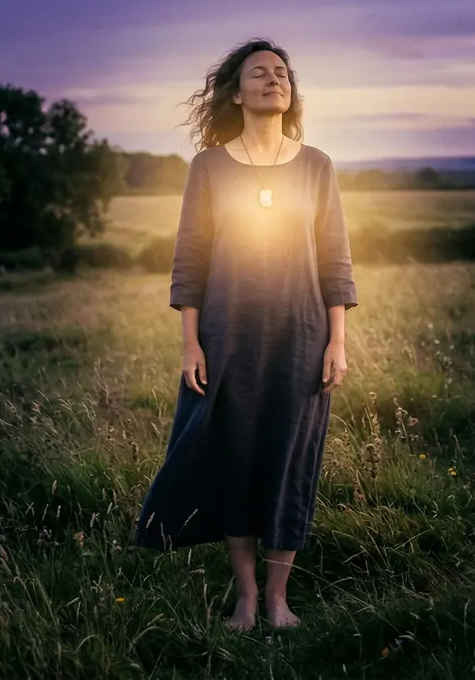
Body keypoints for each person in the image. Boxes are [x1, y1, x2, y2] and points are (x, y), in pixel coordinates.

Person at [131, 37, 358, 631]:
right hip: (226, 335)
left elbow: (335, 260)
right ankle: (248, 596)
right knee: (232, 458)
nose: (274, 80)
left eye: (282, 73)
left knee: (289, 460)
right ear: (235, 92)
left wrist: (338, 341)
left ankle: (281, 598)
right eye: (259, 73)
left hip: (302, 336)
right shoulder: (209, 166)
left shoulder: (317, 165)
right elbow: (191, 259)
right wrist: (191, 342)